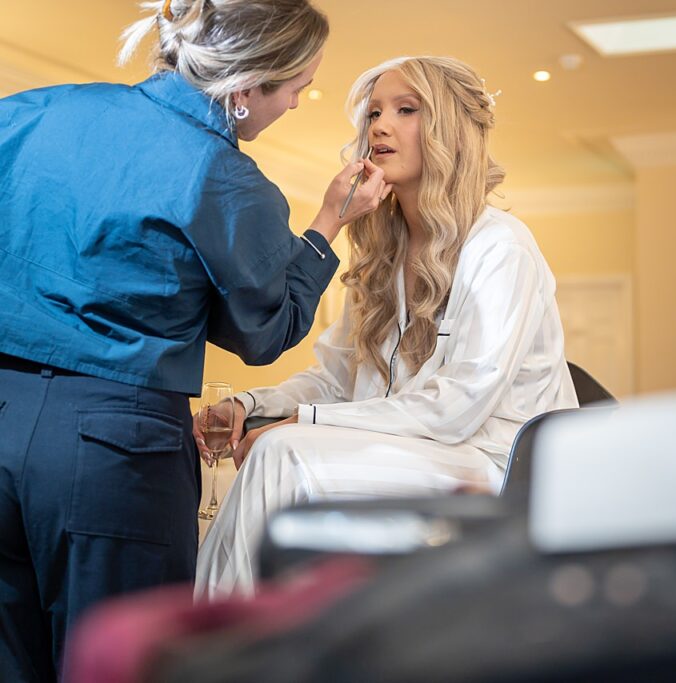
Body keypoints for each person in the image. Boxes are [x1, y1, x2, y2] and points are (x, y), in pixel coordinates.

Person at [0, 1, 391, 679]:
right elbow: (265, 330)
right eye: (296, 87)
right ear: (246, 87)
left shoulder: (32, 111)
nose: (297, 103)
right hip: (112, 450)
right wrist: (328, 223)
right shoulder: (224, 177)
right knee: (127, 664)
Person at [194, 56, 578, 598]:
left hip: (497, 470)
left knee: (283, 453)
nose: (380, 126)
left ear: (448, 128)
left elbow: (457, 406)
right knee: (277, 451)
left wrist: (304, 422)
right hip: (418, 456)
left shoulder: (500, 247)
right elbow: (334, 380)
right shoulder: (383, 254)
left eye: (406, 110)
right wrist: (252, 406)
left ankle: (223, 631)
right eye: (374, 113)